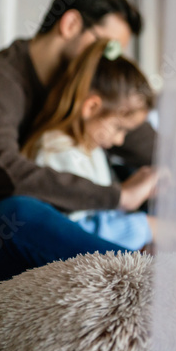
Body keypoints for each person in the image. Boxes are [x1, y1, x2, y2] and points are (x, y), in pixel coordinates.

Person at [0, 0, 159, 288]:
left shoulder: (80, 94)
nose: (110, 62)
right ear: (71, 25)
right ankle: (150, 282)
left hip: (46, 240)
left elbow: (154, 147)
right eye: (107, 48)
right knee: (19, 214)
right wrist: (119, 197)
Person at [22, 38, 158, 251]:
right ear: (92, 107)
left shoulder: (90, 147)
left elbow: (101, 212)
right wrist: (145, 227)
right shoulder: (55, 151)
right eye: (118, 128)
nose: (119, 141)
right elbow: (76, 235)